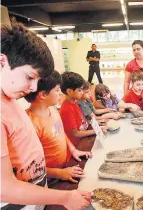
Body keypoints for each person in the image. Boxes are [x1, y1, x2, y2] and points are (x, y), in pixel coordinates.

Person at [1, 23, 92, 210]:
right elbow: (4, 187)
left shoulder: (9, 99)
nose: (34, 88)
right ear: (2, 62)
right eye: (29, 77)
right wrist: (64, 198)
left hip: (36, 194)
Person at [25, 71, 92, 184]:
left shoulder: (53, 109)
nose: (60, 94)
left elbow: (61, 132)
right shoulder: (30, 124)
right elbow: (32, 167)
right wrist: (60, 174)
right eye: (57, 90)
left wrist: (73, 150)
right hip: (51, 178)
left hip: (66, 165)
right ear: (43, 95)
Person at [59, 72, 97, 146]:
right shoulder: (67, 109)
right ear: (69, 91)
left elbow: (84, 122)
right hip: (78, 144)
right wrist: (95, 131)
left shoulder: (75, 102)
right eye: (79, 90)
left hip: (84, 137)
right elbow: (75, 134)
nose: (82, 93)